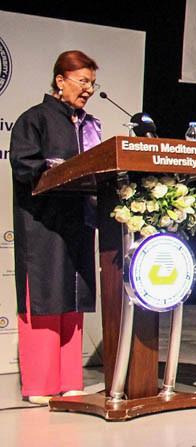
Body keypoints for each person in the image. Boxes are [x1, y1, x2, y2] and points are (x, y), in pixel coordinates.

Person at [9, 50, 102, 405]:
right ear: (60, 81)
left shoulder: (89, 124)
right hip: (43, 225)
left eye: (92, 83)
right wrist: (60, 167)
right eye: (82, 81)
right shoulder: (34, 119)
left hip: (78, 221)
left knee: (73, 298)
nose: (88, 89)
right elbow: (24, 166)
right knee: (46, 299)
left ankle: (69, 378)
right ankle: (41, 383)